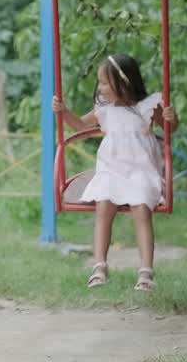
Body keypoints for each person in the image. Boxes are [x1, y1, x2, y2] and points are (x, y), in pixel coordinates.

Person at [52, 53, 177, 292]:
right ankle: (99, 266)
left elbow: (171, 128)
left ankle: (146, 271)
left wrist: (172, 118)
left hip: (141, 171)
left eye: (104, 82)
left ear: (125, 82)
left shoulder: (147, 106)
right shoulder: (105, 109)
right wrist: (63, 111)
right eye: (99, 82)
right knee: (104, 205)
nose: (100, 87)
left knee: (142, 209)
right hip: (111, 170)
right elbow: (79, 125)